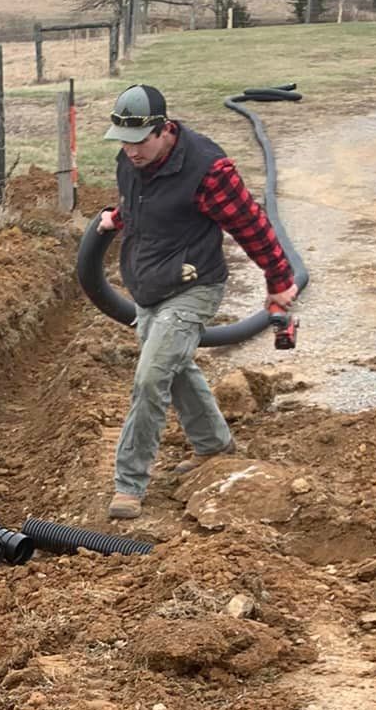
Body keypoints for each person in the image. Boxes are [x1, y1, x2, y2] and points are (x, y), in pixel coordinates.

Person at [97, 83, 299, 521]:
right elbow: (141, 203)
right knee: (175, 364)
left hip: (193, 286)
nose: (130, 152)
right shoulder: (130, 159)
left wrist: (279, 280)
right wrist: (119, 216)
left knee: (151, 377)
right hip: (148, 286)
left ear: (164, 129)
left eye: (138, 142)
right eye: (124, 143)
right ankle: (213, 444)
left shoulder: (209, 170)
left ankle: (129, 484)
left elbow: (252, 226)